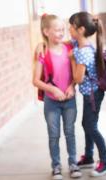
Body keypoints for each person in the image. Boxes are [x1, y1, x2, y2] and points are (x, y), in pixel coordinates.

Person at [32, 14, 81, 180]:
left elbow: (75, 75)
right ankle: (56, 166)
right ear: (46, 31)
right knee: (54, 135)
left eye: (63, 30)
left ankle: (73, 163)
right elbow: (36, 81)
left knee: (70, 132)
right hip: (51, 103)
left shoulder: (69, 49)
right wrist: (53, 90)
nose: (61, 33)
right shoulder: (42, 52)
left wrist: (71, 87)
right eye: (57, 30)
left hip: (69, 100)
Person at [68, 12, 106, 177]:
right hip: (92, 93)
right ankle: (88, 157)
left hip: (92, 95)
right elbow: (69, 42)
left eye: (70, 27)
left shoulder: (83, 52)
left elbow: (78, 79)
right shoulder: (82, 44)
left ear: (80, 30)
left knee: (91, 127)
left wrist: (72, 59)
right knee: (86, 124)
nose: (68, 30)